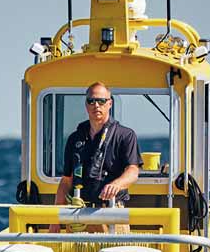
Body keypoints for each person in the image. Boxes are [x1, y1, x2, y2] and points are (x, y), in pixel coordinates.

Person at [49, 82, 142, 233]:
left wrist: (116, 185)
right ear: (86, 105)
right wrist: (55, 220)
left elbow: (133, 171)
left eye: (101, 101)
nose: (96, 105)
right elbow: (66, 181)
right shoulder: (75, 138)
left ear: (110, 103)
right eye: (91, 101)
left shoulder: (125, 135)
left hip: (112, 211)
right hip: (77, 214)